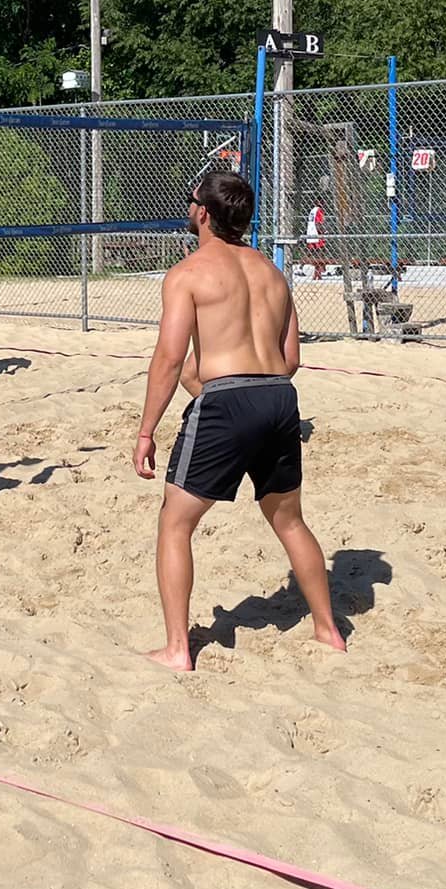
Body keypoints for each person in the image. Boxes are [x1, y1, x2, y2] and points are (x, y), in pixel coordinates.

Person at [132, 170, 346, 671]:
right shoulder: (272, 273)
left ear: (204, 213)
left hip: (227, 403)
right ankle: (328, 630)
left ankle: (177, 649)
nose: (189, 209)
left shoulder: (187, 273)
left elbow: (169, 359)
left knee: (175, 522)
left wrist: (146, 431)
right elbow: (290, 359)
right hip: (279, 398)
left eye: (191, 202)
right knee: (289, 520)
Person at [302, 201, 330, 281]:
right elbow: (318, 223)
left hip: (311, 233)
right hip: (316, 234)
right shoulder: (319, 210)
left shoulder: (313, 210)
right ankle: (318, 272)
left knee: (315, 253)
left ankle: (317, 273)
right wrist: (323, 231)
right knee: (320, 253)